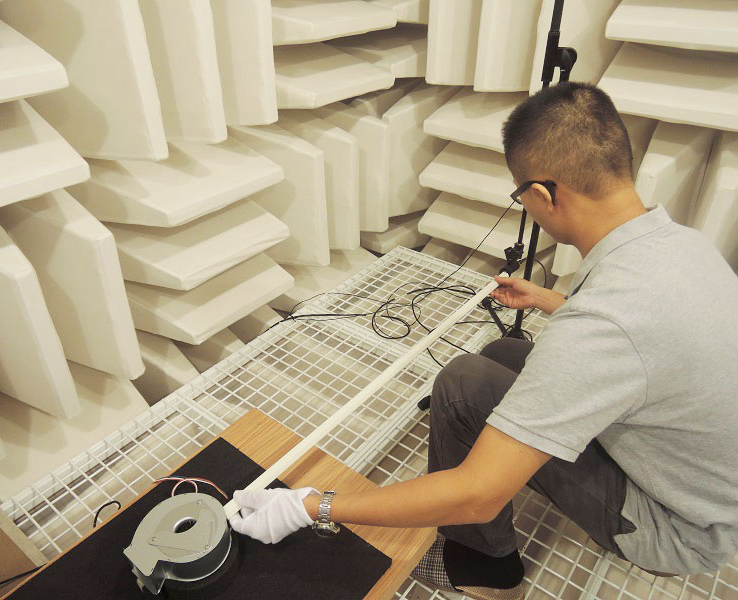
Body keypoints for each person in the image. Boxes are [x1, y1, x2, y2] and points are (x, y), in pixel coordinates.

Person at [228, 82, 738, 599]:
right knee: (503, 354)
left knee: (464, 384)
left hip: (680, 527)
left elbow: (476, 494)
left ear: (542, 194)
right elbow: (652, 343)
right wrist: (546, 301)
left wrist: (313, 505)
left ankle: (485, 571)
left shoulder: (603, 325)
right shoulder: (681, 244)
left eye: (521, 195)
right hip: (707, 486)